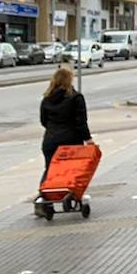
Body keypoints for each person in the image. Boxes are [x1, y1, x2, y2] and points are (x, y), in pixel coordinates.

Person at [37, 66, 92, 195]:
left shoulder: (46, 99)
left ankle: (44, 196)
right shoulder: (76, 98)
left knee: (50, 169)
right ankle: (71, 195)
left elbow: (43, 121)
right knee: (71, 170)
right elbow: (81, 122)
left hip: (50, 140)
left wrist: (53, 130)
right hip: (71, 140)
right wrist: (88, 139)